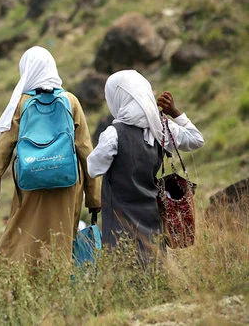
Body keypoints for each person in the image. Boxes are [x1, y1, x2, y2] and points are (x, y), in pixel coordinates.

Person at [0, 46, 101, 264]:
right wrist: (94, 197)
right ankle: (58, 285)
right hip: (68, 184)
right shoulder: (70, 101)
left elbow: (3, 152)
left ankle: (17, 282)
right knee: (62, 240)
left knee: (22, 235)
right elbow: (85, 150)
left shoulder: (21, 103)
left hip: (30, 182)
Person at [87, 70, 204, 263]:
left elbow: (93, 168)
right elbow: (196, 139)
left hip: (119, 220)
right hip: (151, 215)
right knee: (153, 264)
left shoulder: (113, 134)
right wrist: (175, 113)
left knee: (123, 269)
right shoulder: (161, 128)